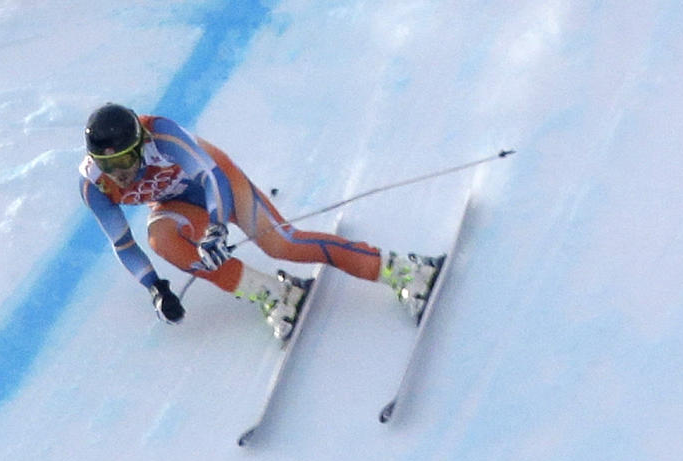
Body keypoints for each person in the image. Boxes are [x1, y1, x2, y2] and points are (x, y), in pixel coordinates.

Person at [80, 103, 443, 339]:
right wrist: (155, 288)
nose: (120, 174)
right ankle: (274, 293)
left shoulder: (162, 134)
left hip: (219, 185)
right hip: (177, 202)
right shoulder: (95, 184)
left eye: (125, 161)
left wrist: (218, 228)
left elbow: (211, 178)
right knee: (163, 240)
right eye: (108, 165)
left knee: (283, 244)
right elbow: (123, 242)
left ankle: (401, 269)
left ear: (140, 144)